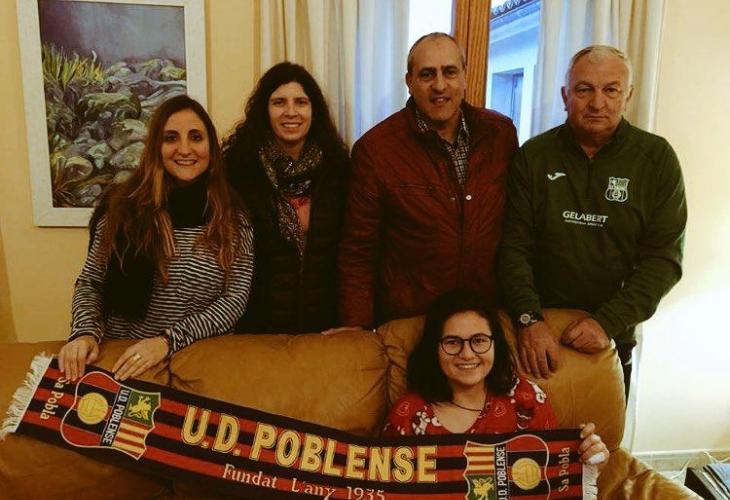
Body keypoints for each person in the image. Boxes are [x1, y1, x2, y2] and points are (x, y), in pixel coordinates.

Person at [498, 46, 687, 394]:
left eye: (611, 90)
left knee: (601, 431)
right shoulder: (534, 156)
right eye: (584, 89)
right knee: (531, 431)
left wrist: (607, 322)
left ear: (628, 95)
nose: (597, 103)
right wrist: (528, 318)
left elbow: (664, 260)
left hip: (611, 339)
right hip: (536, 337)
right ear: (565, 96)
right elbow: (514, 247)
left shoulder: (657, 159)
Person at [58, 95, 254, 382]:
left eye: (196, 137)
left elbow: (235, 300)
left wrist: (167, 341)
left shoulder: (232, 215)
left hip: (201, 362)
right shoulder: (119, 208)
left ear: (210, 147)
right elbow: (91, 282)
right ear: (156, 147)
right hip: (127, 362)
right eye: (171, 138)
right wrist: (84, 333)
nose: (184, 149)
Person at [339, 32, 518, 330]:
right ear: (409, 82)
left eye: (450, 72)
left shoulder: (500, 134)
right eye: (427, 74)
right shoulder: (376, 150)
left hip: (483, 321)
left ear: (465, 76)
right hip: (411, 323)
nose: (439, 85)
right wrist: (356, 329)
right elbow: (358, 251)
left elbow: (517, 229)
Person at [383, 289, 608, 469]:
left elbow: (554, 473)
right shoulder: (407, 414)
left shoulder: (526, 398)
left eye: (479, 340)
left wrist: (588, 459)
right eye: (452, 342)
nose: (467, 354)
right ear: (434, 349)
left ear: (495, 345)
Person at [223, 62, 349, 334]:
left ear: (314, 110)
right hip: (257, 327)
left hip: (324, 325)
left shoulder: (339, 169)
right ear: (264, 110)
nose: (291, 112)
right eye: (279, 102)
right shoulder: (237, 169)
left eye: (301, 102)